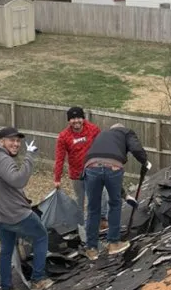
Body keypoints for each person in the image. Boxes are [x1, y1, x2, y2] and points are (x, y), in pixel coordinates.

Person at [0, 125, 53, 290]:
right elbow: (18, 180)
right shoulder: (2, 159)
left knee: (6, 249)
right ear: (1, 141)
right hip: (14, 215)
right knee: (41, 236)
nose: (16, 144)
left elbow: (6, 185)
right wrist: (30, 156)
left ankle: (7, 289)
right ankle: (38, 281)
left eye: (18, 141)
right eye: (11, 140)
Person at [83, 123, 149, 260]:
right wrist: (144, 161)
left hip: (90, 167)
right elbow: (136, 149)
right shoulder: (126, 132)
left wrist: (125, 195)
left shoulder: (102, 135)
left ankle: (91, 249)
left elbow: (100, 162)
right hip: (113, 167)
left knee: (93, 208)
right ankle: (113, 243)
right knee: (114, 204)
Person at [53, 107, 100, 228]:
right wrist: (57, 178)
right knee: (80, 201)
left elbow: (102, 146)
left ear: (83, 118)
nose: (76, 121)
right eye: (73, 118)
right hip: (76, 174)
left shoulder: (93, 130)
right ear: (69, 121)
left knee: (95, 199)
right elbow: (60, 158)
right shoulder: (64, 136)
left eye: (78, 117)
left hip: (93, 171)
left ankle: (95, 223)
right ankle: (80, 226)